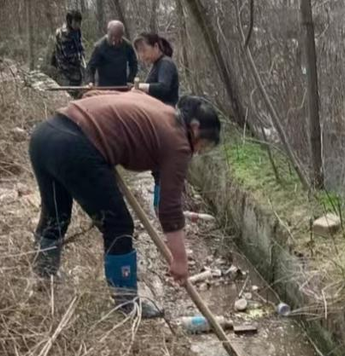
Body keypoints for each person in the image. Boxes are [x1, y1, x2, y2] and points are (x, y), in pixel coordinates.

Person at [28, 94, 221, 318]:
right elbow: (170, 209)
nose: (197, 152)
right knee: (118, 225)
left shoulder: (162, 111)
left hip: (46, 136)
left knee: (56, 215)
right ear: (195, 127)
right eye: (203, 145)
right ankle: (127, 305)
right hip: (75, 147)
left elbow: (164, 187)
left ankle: (43, 280)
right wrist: (179, 260)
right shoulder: (178, 141)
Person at [133, 32, 180, 212]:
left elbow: (164, 88)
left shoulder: (166, 64)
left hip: (165, 120)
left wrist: (144, 87)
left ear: (156, 47)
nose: (142, 56)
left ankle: (164, 205)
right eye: (139, 52)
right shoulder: (156, 65)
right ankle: (160, 204)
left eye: (144, 51)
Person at [85, 20, 137, 88]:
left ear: (121, 36)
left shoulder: (127, 46)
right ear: (107, 32)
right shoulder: (100, 47)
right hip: (104, 86)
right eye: (111, 36)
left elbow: (133, 64)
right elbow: (91, 67)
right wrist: (90, 81)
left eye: (117, 37)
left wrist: (130, 79)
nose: (113, 39)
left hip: (122, 86)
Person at [49, 10, 85, 95]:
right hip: (65, 68)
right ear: (70, 21)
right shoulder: (64, 34)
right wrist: (80, 57)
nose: (78, 25)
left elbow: (79, 44)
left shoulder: (77, 31)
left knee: (78, 87)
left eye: (79, 22)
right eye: (76, 22)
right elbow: (68, 54)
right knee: (69, 91)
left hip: (75, 67)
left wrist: (82, 52)